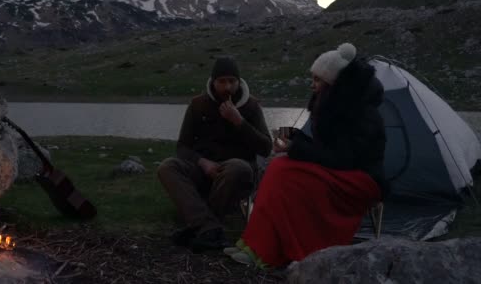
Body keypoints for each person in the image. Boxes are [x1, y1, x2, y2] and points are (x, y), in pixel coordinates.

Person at [226, 43, 386, 268]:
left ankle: (267, 251)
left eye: (318, 80)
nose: (313, 85)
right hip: (339, 171)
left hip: (360, 180)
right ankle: (255, 243)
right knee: (280, 168)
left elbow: (344, 159)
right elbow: (328, 151)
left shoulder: (361, 113)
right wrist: (297, 140)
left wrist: (296, 148)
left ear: (334, 83)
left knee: (283, 173)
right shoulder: (338, 107)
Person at [157, 57, 272, 253]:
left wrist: (239, 121)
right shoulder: (198, 104)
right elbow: (183, 147)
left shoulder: (251, 106)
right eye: (222, 81)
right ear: (213, 81)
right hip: (204, 170)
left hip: (235, 175)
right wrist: (202, 163)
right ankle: (209, 228)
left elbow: (266, 147)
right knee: (167, 167)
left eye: (232, 81)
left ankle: (199, 224)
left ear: (238, 81)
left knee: (239, 167)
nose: (227, 86)